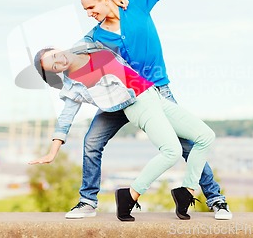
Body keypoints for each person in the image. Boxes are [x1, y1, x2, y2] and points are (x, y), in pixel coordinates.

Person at [74, 0, 232, 220]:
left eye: (91, 7)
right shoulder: (95, 38)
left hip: (157, 91)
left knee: (189, 144)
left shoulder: (137, 4)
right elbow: (72, 58)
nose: (89, 14)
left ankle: (215, 198)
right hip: (122, 97)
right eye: (85, 11)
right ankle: (87, 201)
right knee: (92, 142)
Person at [29, 43, 216, 221]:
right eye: (54, 67)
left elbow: (111, 26)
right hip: (137, 104)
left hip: (152, 93)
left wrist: (122, 7)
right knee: (171, 151)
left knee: (206, 137)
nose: (59, 62)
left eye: (54, 56)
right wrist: (53, 151)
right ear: (57, 72)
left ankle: (187, 192)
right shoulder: (73, 86)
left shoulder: (89, 46)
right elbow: (65, 118)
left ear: (56, 48)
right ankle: (130, 195)